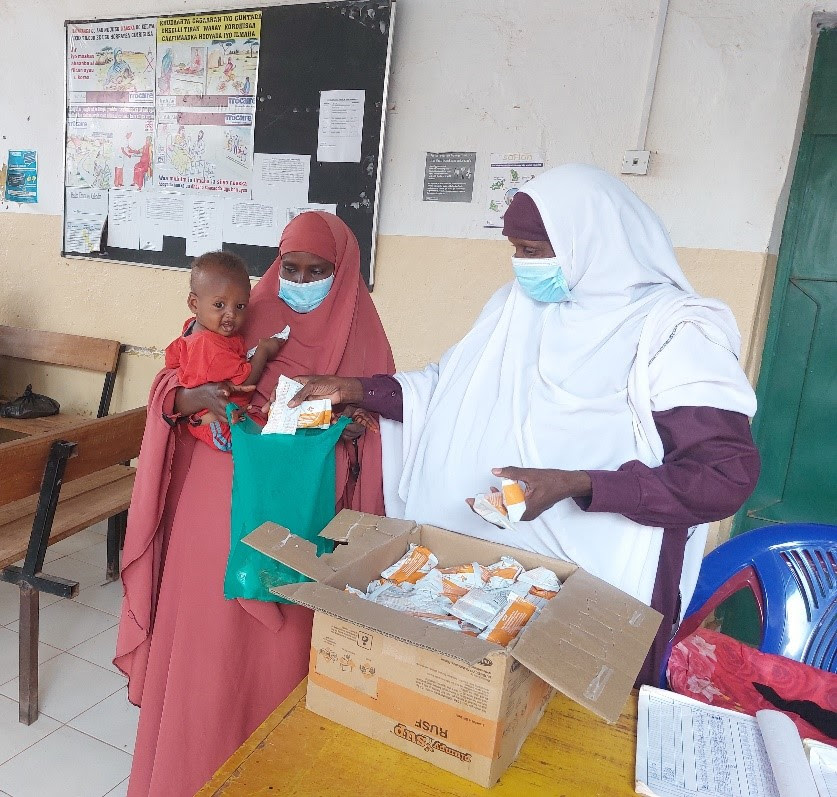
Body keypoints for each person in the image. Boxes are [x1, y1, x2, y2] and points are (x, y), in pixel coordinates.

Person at [287, 165, 761, 686]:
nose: (522, 266)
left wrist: (578, 484)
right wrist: (356, 390)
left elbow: (721, 476)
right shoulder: (514, 307)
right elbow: (444, 389)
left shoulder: (674, 331)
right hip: (489, 575)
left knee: (572, 726)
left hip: (602, 580)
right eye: (515, 248)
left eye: (534, 250)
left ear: (591, 243)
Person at [115, 211, 394, 796]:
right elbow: (172, 389)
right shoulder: (241, 308)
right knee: (205, 659)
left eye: (317, 271)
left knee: (276, 662)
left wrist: (345, 431)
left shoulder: (362, 335)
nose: (299, 279)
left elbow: (373, 432)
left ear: (342, 273)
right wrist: (198, 397)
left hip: (301, 529)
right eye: (289, 267)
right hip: (212, 519)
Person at [164, 251, 282, 452]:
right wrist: (263, 351)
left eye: (240, 306)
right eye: (219, 305)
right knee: (267, 449)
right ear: (194, 304)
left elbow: (171, 358)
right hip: (219, 428)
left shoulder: (193, 328)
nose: (231, 314)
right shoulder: (211, 347)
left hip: (206, 418)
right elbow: (244, 384)